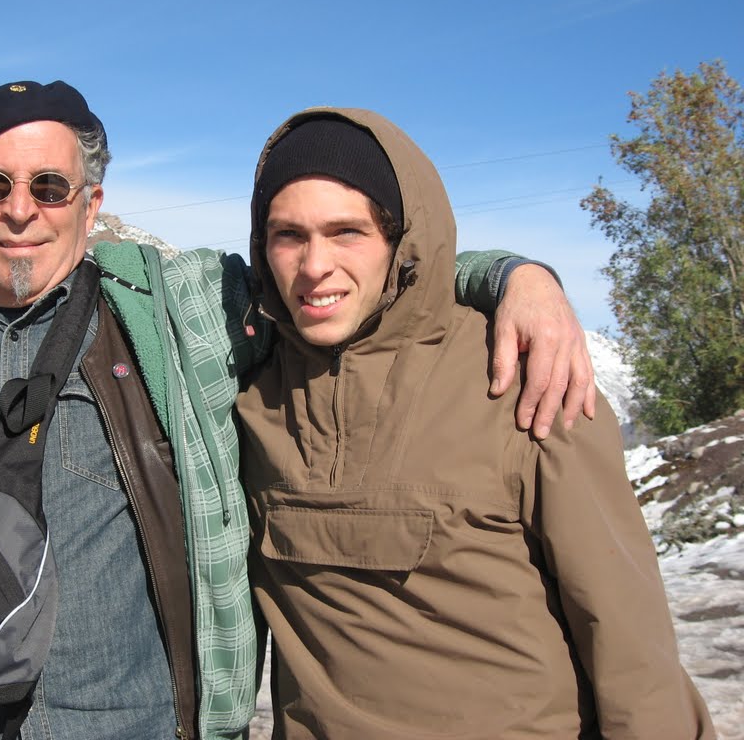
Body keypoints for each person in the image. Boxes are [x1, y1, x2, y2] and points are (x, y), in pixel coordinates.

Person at [0, 80, 593, 740]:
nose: (20, 210)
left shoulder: (182, 312)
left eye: (50, 186)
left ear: (90, 205)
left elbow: (345, 271)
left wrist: (517, 277)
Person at [237, 108, 715, 739]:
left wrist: (526, 276)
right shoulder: (248, 395)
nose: (314, 264)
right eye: (288, 235)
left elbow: (629, 644)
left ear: (400, 242)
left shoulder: (527, 376)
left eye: (347, 232)